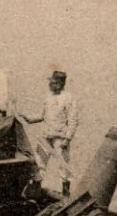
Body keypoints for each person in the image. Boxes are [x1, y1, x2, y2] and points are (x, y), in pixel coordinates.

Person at [22, 70, 79, 199]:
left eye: (52, 83)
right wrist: (30, 118)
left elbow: (73, 121)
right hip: (45, 136)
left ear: (59, 84)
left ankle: (66, 197)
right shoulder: (48, 96)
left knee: (63, 167)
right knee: (39, 164)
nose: (50, 85)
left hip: (59, 138)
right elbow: (42, 115)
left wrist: (67, 139)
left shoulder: (68, 98)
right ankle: (34, 195)